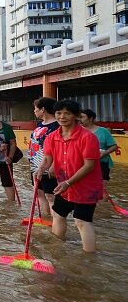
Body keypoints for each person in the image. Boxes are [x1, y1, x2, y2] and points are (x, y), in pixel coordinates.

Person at [35, 99, 103, 253]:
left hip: (86, 188)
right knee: (58, 214)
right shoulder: (52, 137)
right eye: (59, 113)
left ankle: (89, 257)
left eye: (67, 113)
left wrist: (68, 183)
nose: (62, 116)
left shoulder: (87, 137)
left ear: (76, 116)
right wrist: (41, 169)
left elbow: (89, 165)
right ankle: (57, 249)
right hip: (63, 186)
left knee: (81, 221)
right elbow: (47, 158)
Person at [28, 97, 59, 216]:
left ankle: (56, 221)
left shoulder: (57, 126)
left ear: (43, 109)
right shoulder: (40, 124)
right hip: (35, 166)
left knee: (50, 195)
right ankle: (47, 219)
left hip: (48, 165)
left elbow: (59, 148)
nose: (34, 111)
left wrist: (54, 165)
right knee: (39, 193)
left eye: (36, 109)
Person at [79, 108, 118, 185]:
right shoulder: (78, 131)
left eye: (82, 117)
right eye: (79, 117)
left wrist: (105, 153)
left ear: (91, 118)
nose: (79, 119)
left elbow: (114, 146)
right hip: (82, 163)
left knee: (101, 188)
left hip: (101, 163)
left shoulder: (103, 131)